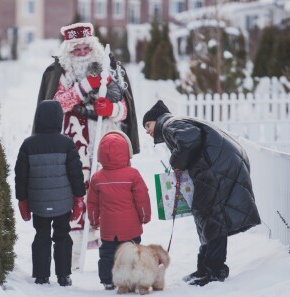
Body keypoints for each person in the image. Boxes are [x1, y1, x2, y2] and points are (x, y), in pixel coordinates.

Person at [35, 22, 140, 268]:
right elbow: (56, 105)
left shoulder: (110, 69)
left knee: (111, 199)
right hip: (74, 147)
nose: (82, 53)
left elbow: (126, 110)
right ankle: (73, 261)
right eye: (76, 50)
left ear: (94, 48)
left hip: (107, 146)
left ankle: (113, 259)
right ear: (67, 53)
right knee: (75, 197)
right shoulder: (59, 74)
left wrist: (112, 108)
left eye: (86, 48)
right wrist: (84, 87)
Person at [142, 100, 261, 286]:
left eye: (147, 125)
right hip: (221, 163)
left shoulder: (168, 124)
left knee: (211, 215)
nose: (147, 131)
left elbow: (190, 139)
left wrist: (176, 162)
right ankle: (205, 267)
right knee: (206, 213)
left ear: (156, 120)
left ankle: (214, 269)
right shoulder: (175, 122)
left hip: (216, 167)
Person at [15, 100, 86, 286]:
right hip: (63, 204)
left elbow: (20, 175)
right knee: (62, 236)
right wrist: (79, 197)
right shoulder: (67, 143)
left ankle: (41, 275)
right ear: (59, 119)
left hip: (38, 203)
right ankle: (63, 276)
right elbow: (76, 173)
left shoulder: (28, 145)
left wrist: (22, 200)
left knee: (41, 235)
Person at [86, 130, 151, 290]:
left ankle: (108, 280)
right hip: (131, 227)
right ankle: (133, 279)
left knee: (108, 254)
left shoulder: (97, 178)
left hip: (108, 228)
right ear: (126, 153)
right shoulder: (133, 175)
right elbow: (142, 198)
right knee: (133, 253)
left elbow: (92, 203)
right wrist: (144, 217)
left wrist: (94, 221)